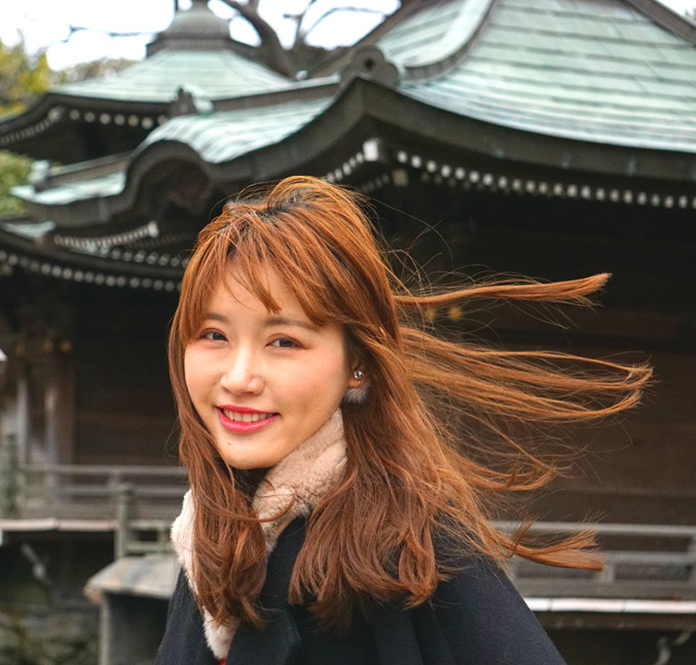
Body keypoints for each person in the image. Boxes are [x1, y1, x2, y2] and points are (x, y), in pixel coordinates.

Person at [154, 176, 651, 665]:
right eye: (214, 335)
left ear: (357, 364)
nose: (239, 378)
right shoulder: (211, 530)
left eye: (284, 341)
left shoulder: (408, 547)